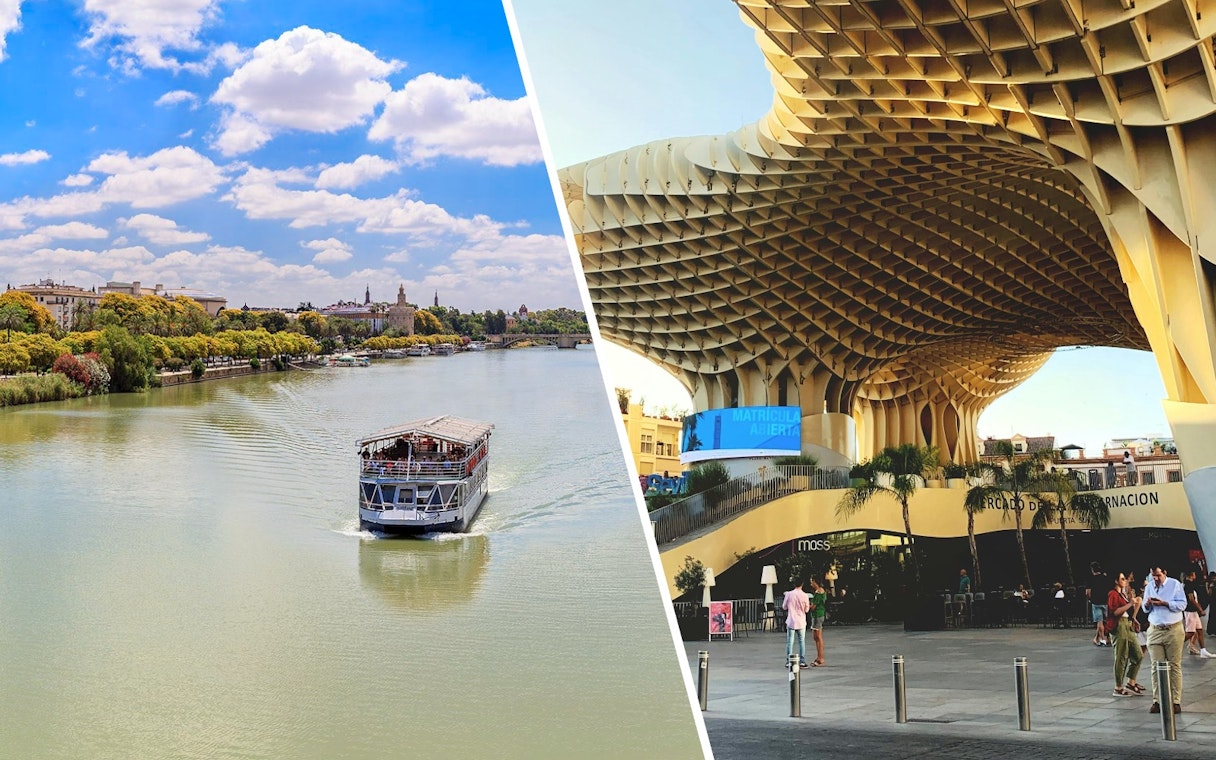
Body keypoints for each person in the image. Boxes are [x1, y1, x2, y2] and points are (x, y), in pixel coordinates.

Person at [1141, 565, 1188, 714]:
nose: (1155, 579)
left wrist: (1165, 603)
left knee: (1174, 665)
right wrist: (1147, 604)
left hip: (1173, 629)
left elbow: (1182, 604)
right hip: (1155, 628)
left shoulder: (1175, 584)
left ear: (1164, 573)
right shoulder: (1149, 587)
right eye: (1153, 576)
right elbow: (1144, 608)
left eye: (1158, 575)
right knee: (1156, 666)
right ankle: (1157, 700)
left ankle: (1175, 701)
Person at [1108, 572, 1144, 697]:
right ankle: (1118, 687)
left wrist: (1133, 617)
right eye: (1122, 579)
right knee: (1121, 657)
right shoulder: (1113, 594)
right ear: (1116, 581)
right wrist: (1130, 604)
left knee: (1138, 655)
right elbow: (1115, 611)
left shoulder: (1121, 593)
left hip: (1127, 624)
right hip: (1119, 626)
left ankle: (1130, 681)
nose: (1125, 581)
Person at [1183, 569, 1213, 657]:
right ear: (1192, 574)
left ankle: (1203, 651)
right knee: (1191, 632)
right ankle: (1175, 645)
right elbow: (1191, 599)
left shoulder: (1189, 584)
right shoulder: (1188, 585)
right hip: (1190, 611)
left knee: (1199, 630)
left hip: (1193, 611)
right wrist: (1200, 609)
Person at [782, 579, 811, 669]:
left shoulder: (789, 594)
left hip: (791, 620)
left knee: (790, 641)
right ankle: (802, 661)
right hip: (801, 621)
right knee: (801, 641)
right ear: (802, 584)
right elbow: (807, 610)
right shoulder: (805, 595)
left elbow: (784, 606)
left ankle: (789, 661)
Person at [1089, 562, 1111, 646]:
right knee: (1107, 621)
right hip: (1105, 601)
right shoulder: (1105, 578)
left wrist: (1090, 599)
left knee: (1100, 622)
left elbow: (1088, 592)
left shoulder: (1091, 579)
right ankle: (1098, 638)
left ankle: (1102, 639)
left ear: (1092, 570)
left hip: (1096, 602)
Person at [808, 577, 827, 666]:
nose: (811, 584)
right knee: (816, 637)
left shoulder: (818, 593)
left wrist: (807, 606)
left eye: (812, 582)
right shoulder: (822, 592)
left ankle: (820, 657)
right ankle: (819, 656)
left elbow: (813, 607)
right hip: (819, 614)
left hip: (817, 615)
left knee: (818, 637)